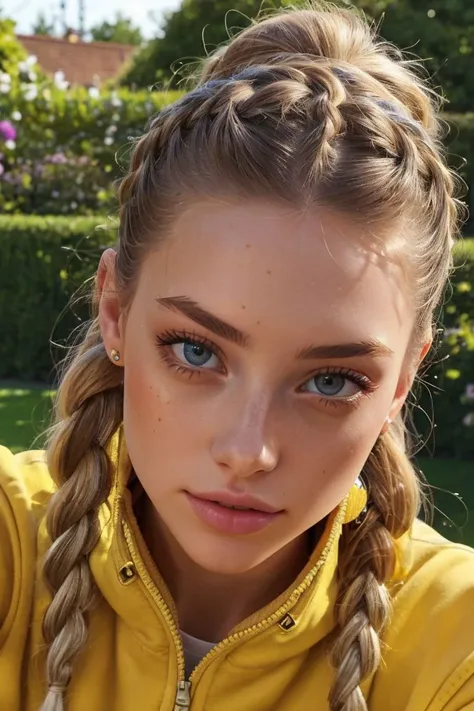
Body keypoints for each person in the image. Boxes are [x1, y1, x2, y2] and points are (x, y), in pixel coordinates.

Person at [1, 3, 473, 711]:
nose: (248, 450)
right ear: (116, 312)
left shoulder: (453, 640)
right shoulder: (12, 541)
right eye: (196, 350)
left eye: (331, 379)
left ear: (404, 377)